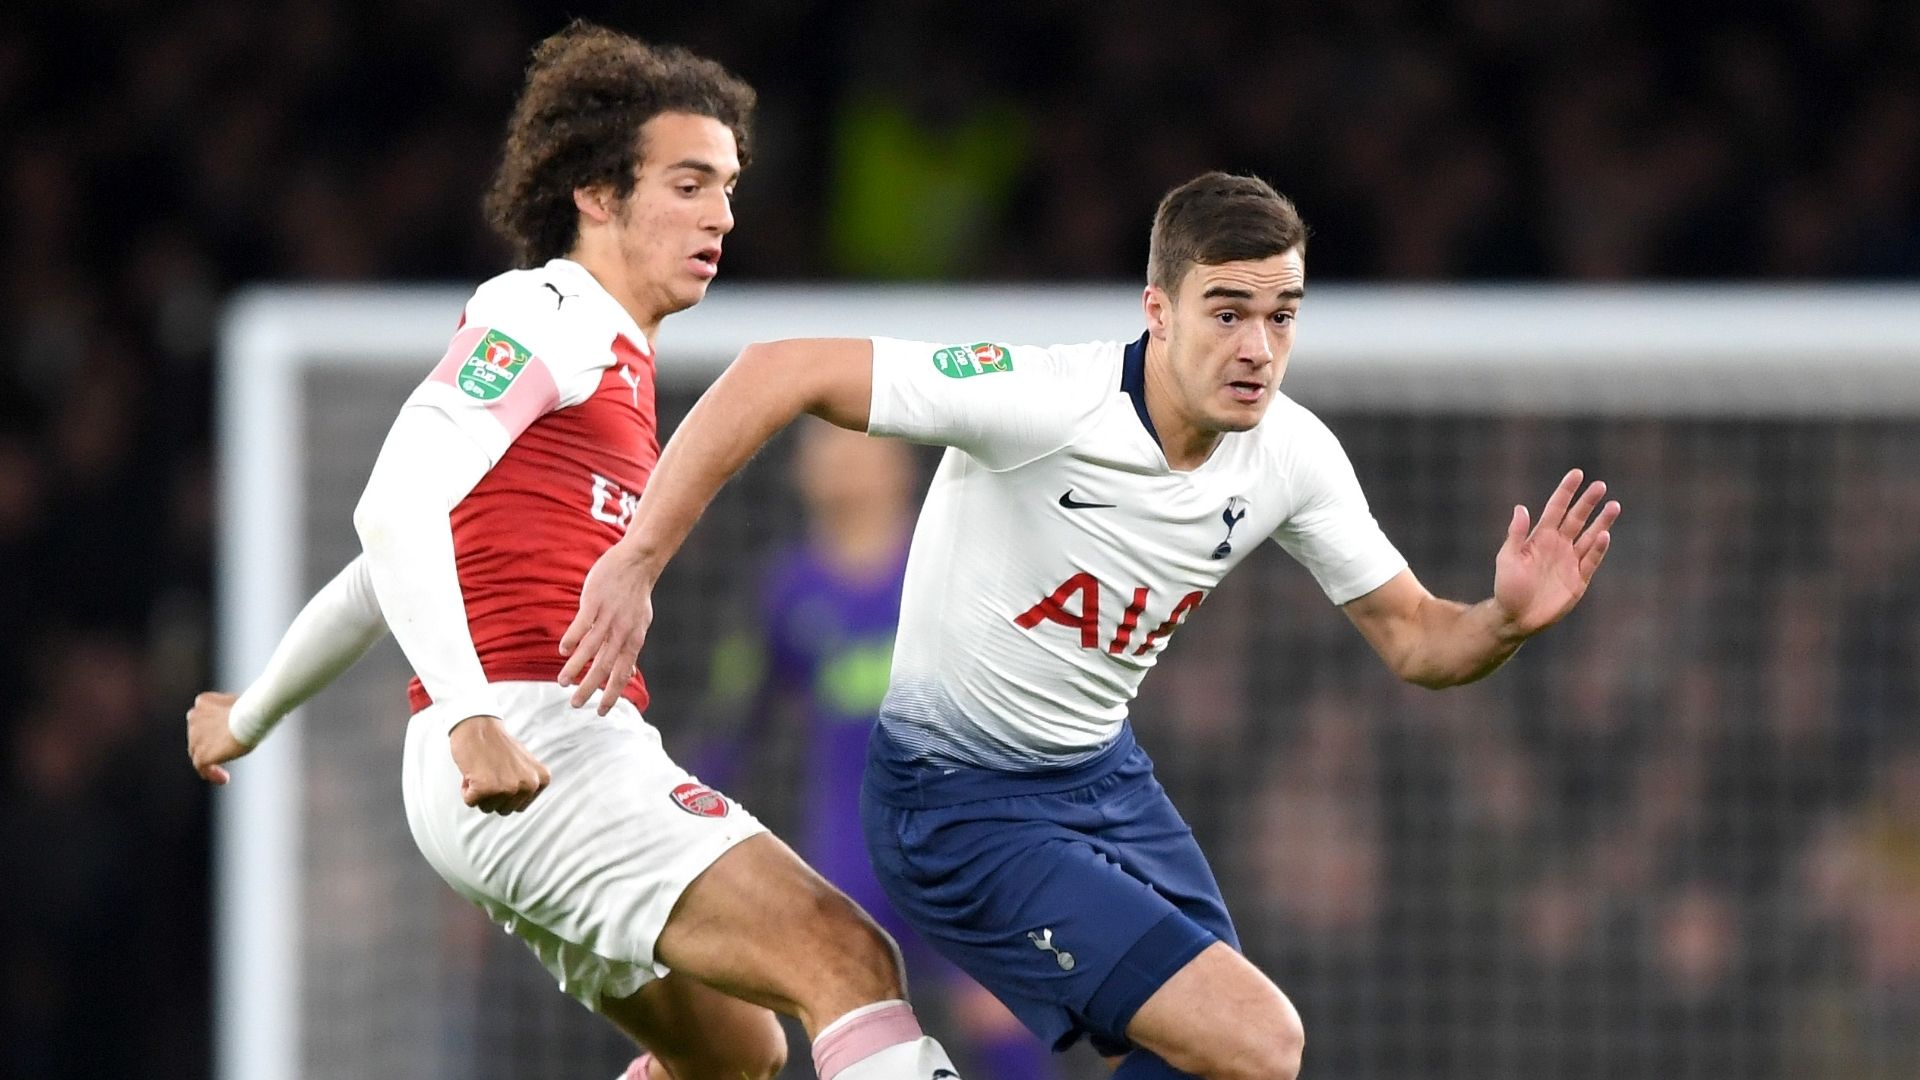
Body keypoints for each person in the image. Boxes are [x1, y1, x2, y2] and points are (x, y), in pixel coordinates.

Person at [558, 172, 1622, 1079]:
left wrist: (1503, 621)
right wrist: (639, 559)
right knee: (1262, 1038)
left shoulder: (1291, 457)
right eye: (1228, 310)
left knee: (1217, 1057)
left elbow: (1416, 641)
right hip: (954, 803)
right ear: (1157, 310)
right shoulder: (1042, 401)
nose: (1258, 346)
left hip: (1103, 783)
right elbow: (777, 367)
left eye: (1283, 315)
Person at [185, 23, 962, 1080]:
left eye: (728, 188)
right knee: (846, 956)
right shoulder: (547, 311)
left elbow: (394, 570)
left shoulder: (616, 370)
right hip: (526, 741)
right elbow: (391, 505)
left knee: (736, 1054)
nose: (721, 216)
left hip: (523, 759)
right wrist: (469, 719)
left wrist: (254, 709)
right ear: (597, 194)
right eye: (689, 183)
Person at [705, 421, 1057, 1078]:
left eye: (858, 448)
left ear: (899, 466)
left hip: (964, 840)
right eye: (824, 451)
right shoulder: (787, 593)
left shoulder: (959, 570)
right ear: (800, 474)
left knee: (997, 1012)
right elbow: (733, 729)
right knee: (861, 1030)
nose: (842, 464)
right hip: (851, 855)